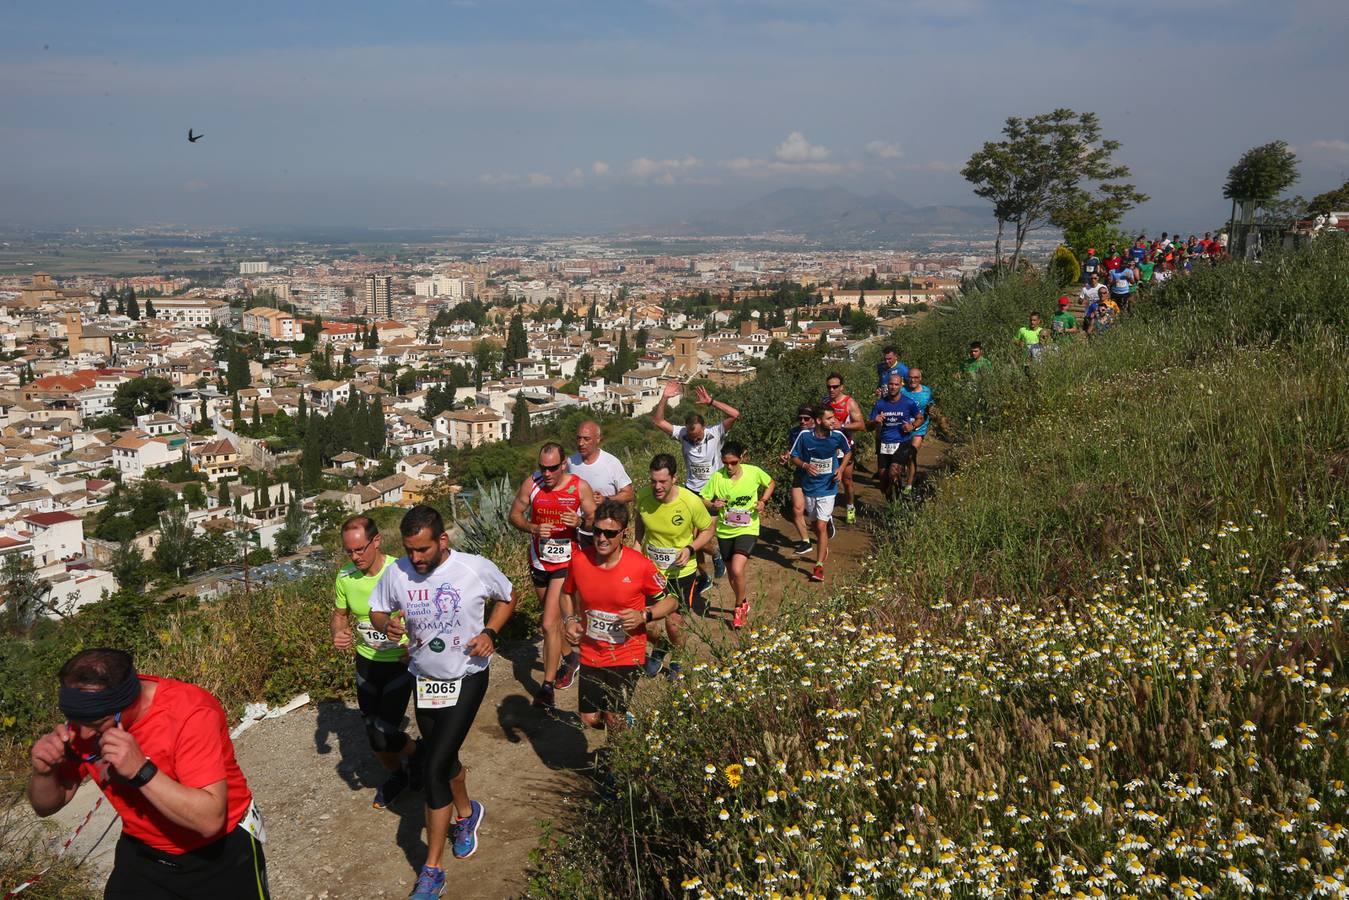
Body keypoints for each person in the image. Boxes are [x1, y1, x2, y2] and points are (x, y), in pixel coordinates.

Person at [27, 648, 269, 899]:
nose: (85, 734)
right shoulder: (83, 722)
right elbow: (45, 806)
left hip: (217, 851)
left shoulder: (189, 711)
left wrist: (141, 770)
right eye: (75, 720)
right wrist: (44, 772)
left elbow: (209, 821)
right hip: (144, 852)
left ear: (130, 702)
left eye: (96, 724)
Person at [370, 505, 515, 897]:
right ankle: (467, 813)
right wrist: (387, 624)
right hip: (425, 679)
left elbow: (507, 597)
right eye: (410, 550)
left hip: (467, 676)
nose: (416, 558)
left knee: (433, 768)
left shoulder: (473, 568)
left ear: (443, 540)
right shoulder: (397, 572)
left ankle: (432, 870)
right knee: (444, 757)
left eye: (423, 549)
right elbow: (377, 610)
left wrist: (490, 633)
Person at [562, 500, 675, 730]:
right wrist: (570, 620)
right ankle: (621, 720)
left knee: (614, 720)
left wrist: (644, 615)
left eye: (610, 533)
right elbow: (566, 593)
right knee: (589, 719)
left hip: (626, 652)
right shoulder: (580, 560)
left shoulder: (641, 566)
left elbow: (672, 600)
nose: (602, 538)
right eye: (597, 531)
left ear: (624, 533)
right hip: (592, 651)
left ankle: (619, 743)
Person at [332, 515, 419, 809]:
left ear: (377, 541)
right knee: (373, 733)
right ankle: (398, 774)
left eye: (360, 549)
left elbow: (425, 613)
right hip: (367, 662)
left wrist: (416, 647)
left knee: (383, 733)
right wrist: (338, 633)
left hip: (400, 662)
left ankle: (418, 755)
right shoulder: (345, 577)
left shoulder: (402, 571)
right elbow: (340, 615)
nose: (355, 557)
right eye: (349, 552)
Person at [509, 442, 596, 709]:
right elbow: (514, 515)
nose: (546, 473)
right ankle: (570, 658)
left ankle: (546, 688)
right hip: (539, 561)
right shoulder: (532, 484)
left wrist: (580, 523)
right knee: (553, 623)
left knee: (548, 624)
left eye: (552, 468)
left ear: (563, 464)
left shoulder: (579, 487)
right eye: (542, 468)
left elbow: (595, 519)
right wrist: (533, 527)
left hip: (567, 562)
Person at [650, 380, 739, 585]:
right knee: (691, 538)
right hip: (692, 491)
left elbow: (735, 414)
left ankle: (715, 554)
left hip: (713, 492)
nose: (695, 440)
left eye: (698, 436)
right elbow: (658, 421)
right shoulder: (682, 434)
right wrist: (664, 397)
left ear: (704, 428)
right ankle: (705, 576)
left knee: (702, 538)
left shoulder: (715, 432)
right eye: (692, 437)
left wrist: (711, 401)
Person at [634, 453, 714, 677]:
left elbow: (708, 529)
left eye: (662, 481)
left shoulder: (690, 501)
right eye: (653, 481)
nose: (657, 487)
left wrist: (690, 549)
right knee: (645, 621)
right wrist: (637, 544)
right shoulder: (643, 496)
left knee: (673, 622)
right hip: (651, 571)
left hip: (681, 572)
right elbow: (640, 519)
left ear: (674, 478)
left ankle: (678, 658)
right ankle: (661, 646)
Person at [699, 440, 775, 628]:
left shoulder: (753, 472)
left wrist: (763, 500)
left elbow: (770, 483)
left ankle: (738, 607)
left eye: (733, 462)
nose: (729, 467)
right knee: (732, 576)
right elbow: (704, 498)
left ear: (742, 458)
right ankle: (743, 600)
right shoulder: (718, 477)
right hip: (725, 531)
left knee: (737, 569)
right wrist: (713, 504)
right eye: (725, 463)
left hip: (748, 528)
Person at [789, 405, 851, 583]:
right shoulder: (804, 436)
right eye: (829, 418)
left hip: (828, 487)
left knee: (821, 527)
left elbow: (848, 452)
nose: (834, 421)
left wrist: (841, 469)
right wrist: (805, 465)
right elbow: (794, 456)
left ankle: (818, 566)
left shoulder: (838, 436)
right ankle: (824, 540)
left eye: (834, 418)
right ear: (818, 421)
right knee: (815, 526)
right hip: (809, 488)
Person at [868, 373, 921, 502]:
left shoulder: (908, 402)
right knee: (883, 479)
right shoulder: (880, 404)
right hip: (884, 443)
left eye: (896, 384)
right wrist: (875, 421)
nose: (893, 387)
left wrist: (912, 426)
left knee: (894, 470)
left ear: (901, 385)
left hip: (902, 442)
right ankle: (891, 501)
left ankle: (898, 499)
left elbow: (920, 418)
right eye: (891, 384)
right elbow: (868, 426)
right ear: (887, 385)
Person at [778, 404, 822, 556]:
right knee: (797, 508)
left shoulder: (822, 432)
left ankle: (826, 522)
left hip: (819, 475)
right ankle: (805, 541)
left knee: (815, 513)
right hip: (801, 472)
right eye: (800, 418)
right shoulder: (794, 432)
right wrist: (786, 456)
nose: (802, 421)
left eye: (806, 418)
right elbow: (791, 449)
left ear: (815, 419)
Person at [822, 372, 865, 524]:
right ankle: (824, 513)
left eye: (835, 387)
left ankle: (850, 507)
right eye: (829, 387)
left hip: (845, 447)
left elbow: (861, 424)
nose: (831, 390)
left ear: (842, 387)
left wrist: (842, 426)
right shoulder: (824, 401)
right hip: (828, 447)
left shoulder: (849, 402)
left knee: (847, 480)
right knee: (826, 479)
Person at [898, 367, 933, 496]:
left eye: (916, 378)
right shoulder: (902, 390)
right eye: (910, 377)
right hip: (903, 428)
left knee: (911, 454)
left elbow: (930, 407)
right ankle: (899, 479)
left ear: (920, 378)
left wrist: (932, 412)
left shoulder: (927, 392)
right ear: (907, 378)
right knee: (902, 456)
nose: (913, 380)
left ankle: (909, 485)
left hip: (919, 427)